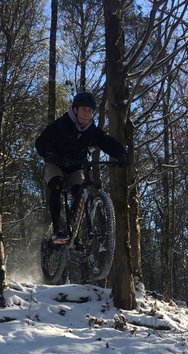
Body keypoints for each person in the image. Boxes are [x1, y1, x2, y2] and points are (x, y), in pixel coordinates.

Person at [35, 91, 128, 244]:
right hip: (55, 164)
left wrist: (121, 155)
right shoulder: (61, 125)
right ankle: (58, 229)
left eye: (91, 111)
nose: (87, 114)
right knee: (56, 184)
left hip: (75, 167)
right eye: (84, 109)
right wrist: (49, 154)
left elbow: (107, 142)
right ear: (75, 109)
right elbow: (40, 142)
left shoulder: (91, 131)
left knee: (80, 194)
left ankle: (73, 232)